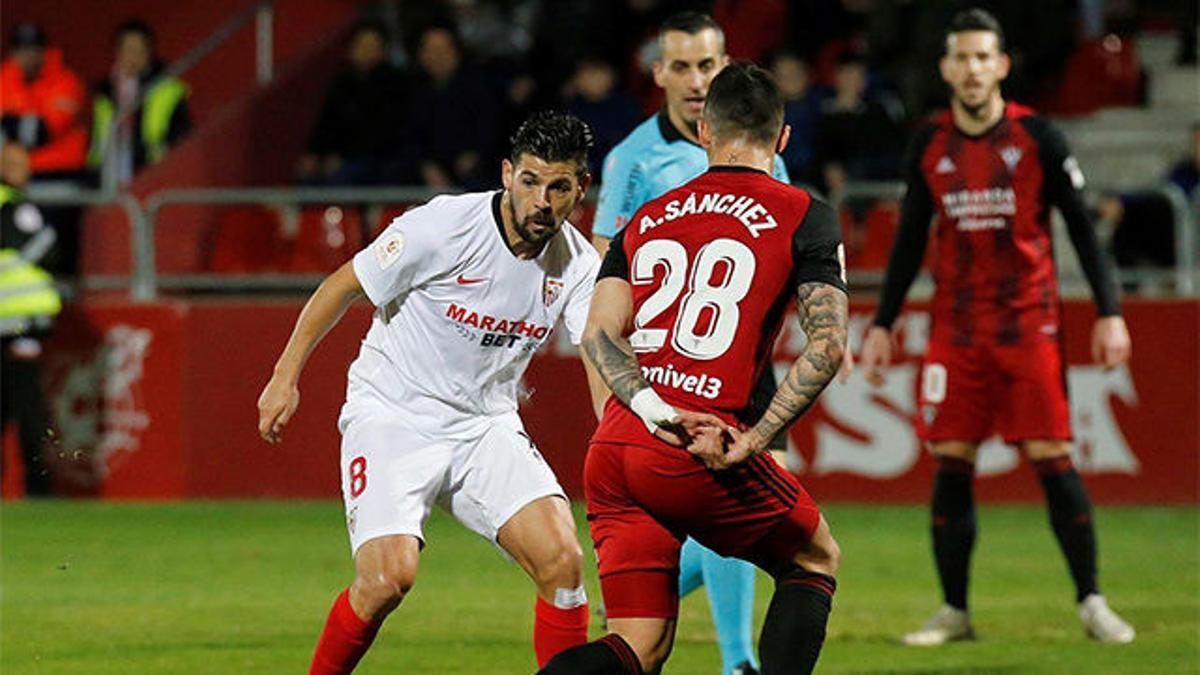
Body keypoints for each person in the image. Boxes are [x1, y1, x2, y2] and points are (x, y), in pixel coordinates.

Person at [257, 112, 600, 673]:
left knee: (563, 563)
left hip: (485, 425)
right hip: (395, 413)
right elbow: (343, 285)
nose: (542, 200)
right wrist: (284, 375)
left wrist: (618, 432)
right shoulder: (445, 226)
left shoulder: (579, 265)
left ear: (579, 189)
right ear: (508, 173)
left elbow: (598, 348)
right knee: (388, 579)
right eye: (531, 181)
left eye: (559, 186)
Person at [541, 62, 848, 675]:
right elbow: (828, 345)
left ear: (704, 131)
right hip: (702, 446)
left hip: (619, 445)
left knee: (638, 648)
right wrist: (756, 440)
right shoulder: (805, 214)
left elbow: (598, 333)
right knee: (813, 558)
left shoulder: (646, 219)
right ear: (782, 140)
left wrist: (650, 411)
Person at [858, 8, 1136, 646]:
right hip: (954, 329)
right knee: (950, 459)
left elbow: (1084, 230)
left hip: (1028, 323)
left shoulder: (1039, 137)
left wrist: (1111, 312)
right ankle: (954, 612)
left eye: (985, 57)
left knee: (1051, 456)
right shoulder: (928, 143)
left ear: (1002, 65)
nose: (974, 68)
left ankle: (1092, 600)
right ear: (947, 68)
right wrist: (883, 324)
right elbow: (907, 242)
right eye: (963, 57)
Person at [589, 14, 792, 674]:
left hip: (743, 369)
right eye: (681, 67)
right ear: (659, 74)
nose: (697, 80)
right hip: (660, 375)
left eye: (707, 66)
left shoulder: (768, 153)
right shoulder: (631, 162)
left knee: (751, 505)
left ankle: (636, 617)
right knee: (740, 511)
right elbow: (600, 295)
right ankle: (737, 660)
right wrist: (609, 399)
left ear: (726, 64)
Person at [0, 142, 62, 497]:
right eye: (14, 163)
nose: (23, 170)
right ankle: (38, 488)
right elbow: (46, 246)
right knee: (29, 409)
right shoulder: (15, 205)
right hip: (19, 321)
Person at [297, 20, 405, 186]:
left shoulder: (394, 84)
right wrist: (315, 153)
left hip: (378, 158)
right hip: (343, 158)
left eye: (372, 46)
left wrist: (343, 157)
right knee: (306, 176)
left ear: (382, 51)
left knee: (343, 176)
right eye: (361, 45)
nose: (366, 51)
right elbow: (326, 125)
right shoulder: (342, 83)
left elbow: (384, 132)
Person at [87, 20, 190, 186]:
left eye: (140, 50)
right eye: (128, 49)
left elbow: (182, 137)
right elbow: (96, 140)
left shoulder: (166, 89)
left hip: (151, 172)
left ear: (149, 53)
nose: (134, 56)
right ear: (118, 52)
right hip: (108, 173)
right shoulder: (105, 93)